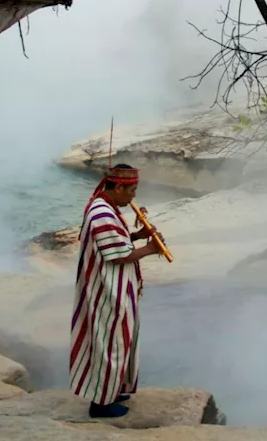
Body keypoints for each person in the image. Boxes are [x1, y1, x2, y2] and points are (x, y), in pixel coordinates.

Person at [69, 163, 165, 418]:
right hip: (107, 290)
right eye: (132, 190)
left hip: (117, 287)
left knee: (122, 339)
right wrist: (151, 249)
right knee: (110, 343)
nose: (134, 195)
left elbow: (117, 241)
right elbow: (117, 255)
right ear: (119, 187)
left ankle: (114, 389)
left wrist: (139, 235)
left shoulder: (106, 207)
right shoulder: (101, 214)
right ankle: (100, 403)